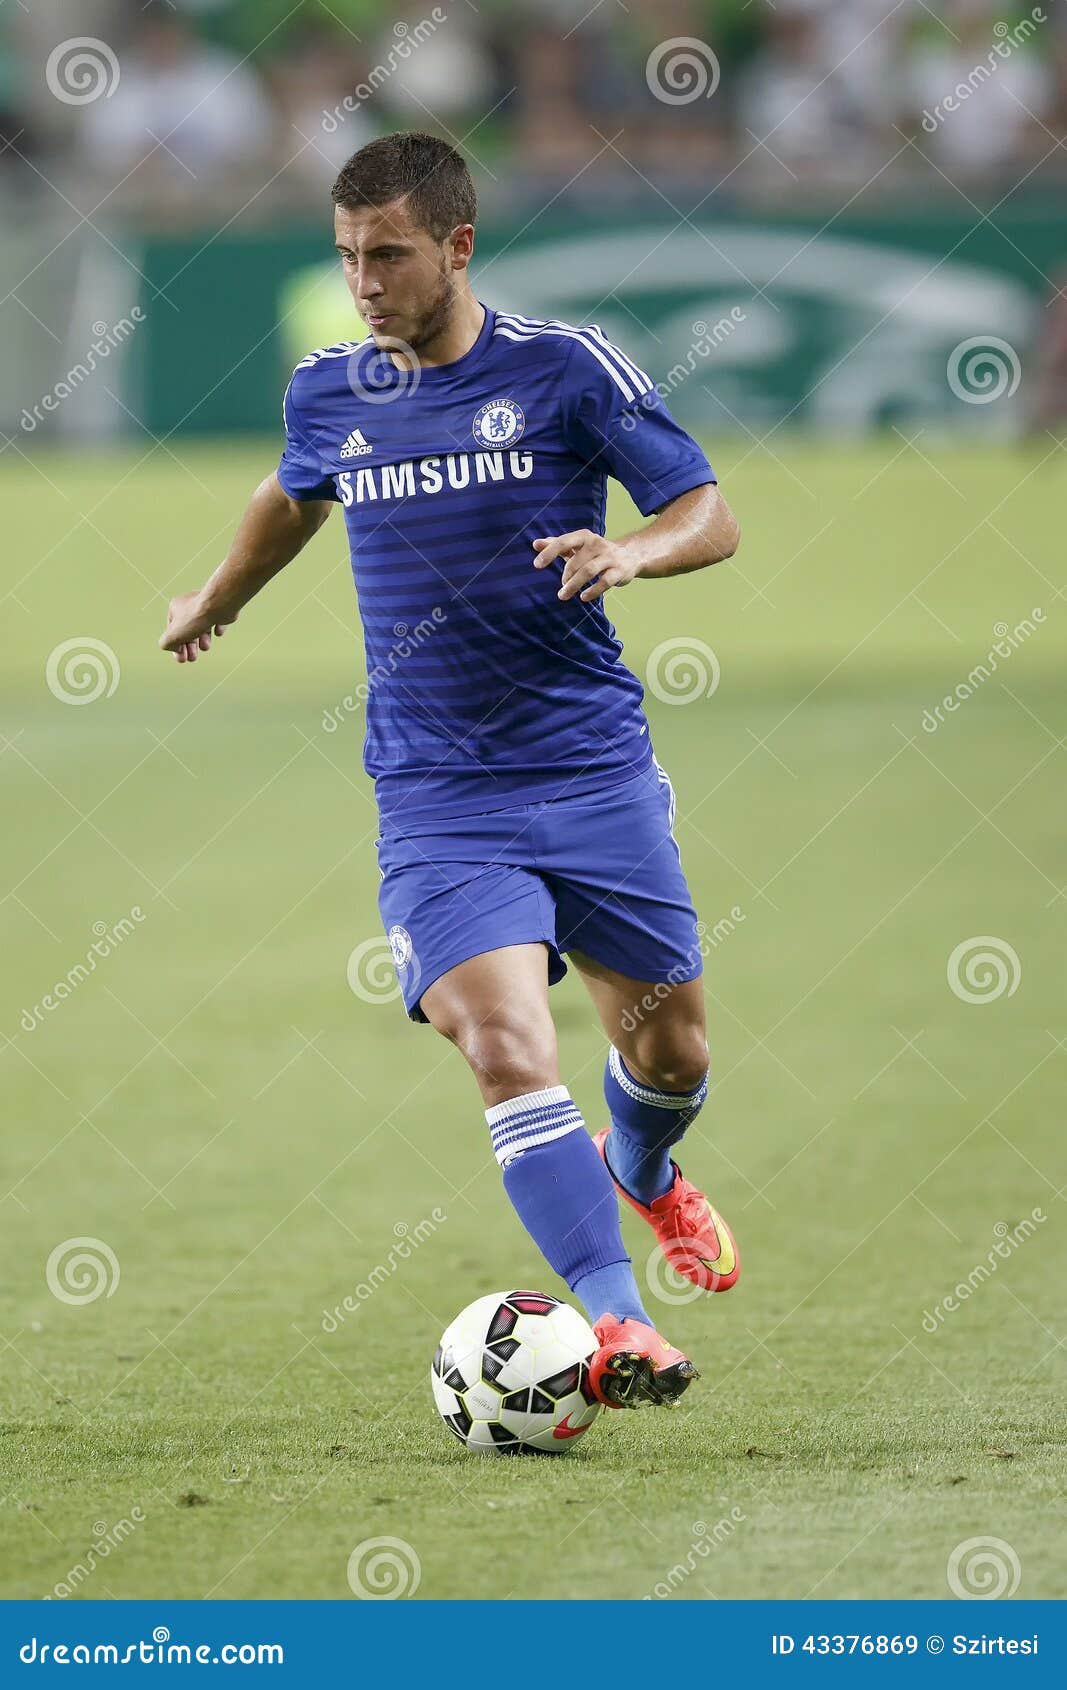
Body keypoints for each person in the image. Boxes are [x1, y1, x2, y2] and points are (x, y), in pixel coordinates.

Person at [159, 132, 741, 1411]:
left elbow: (707, 506)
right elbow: (293, 496)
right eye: (347, 256)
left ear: (458, 248)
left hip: (590, 772)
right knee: (500, 1042)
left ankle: (640, 1166)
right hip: (436, 793)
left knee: (675, 1054)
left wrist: (633, 555)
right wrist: (218, 597)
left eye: (389, 255)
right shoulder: (331, 388)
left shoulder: (562, 370)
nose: (364, 281)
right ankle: (619, 1320)